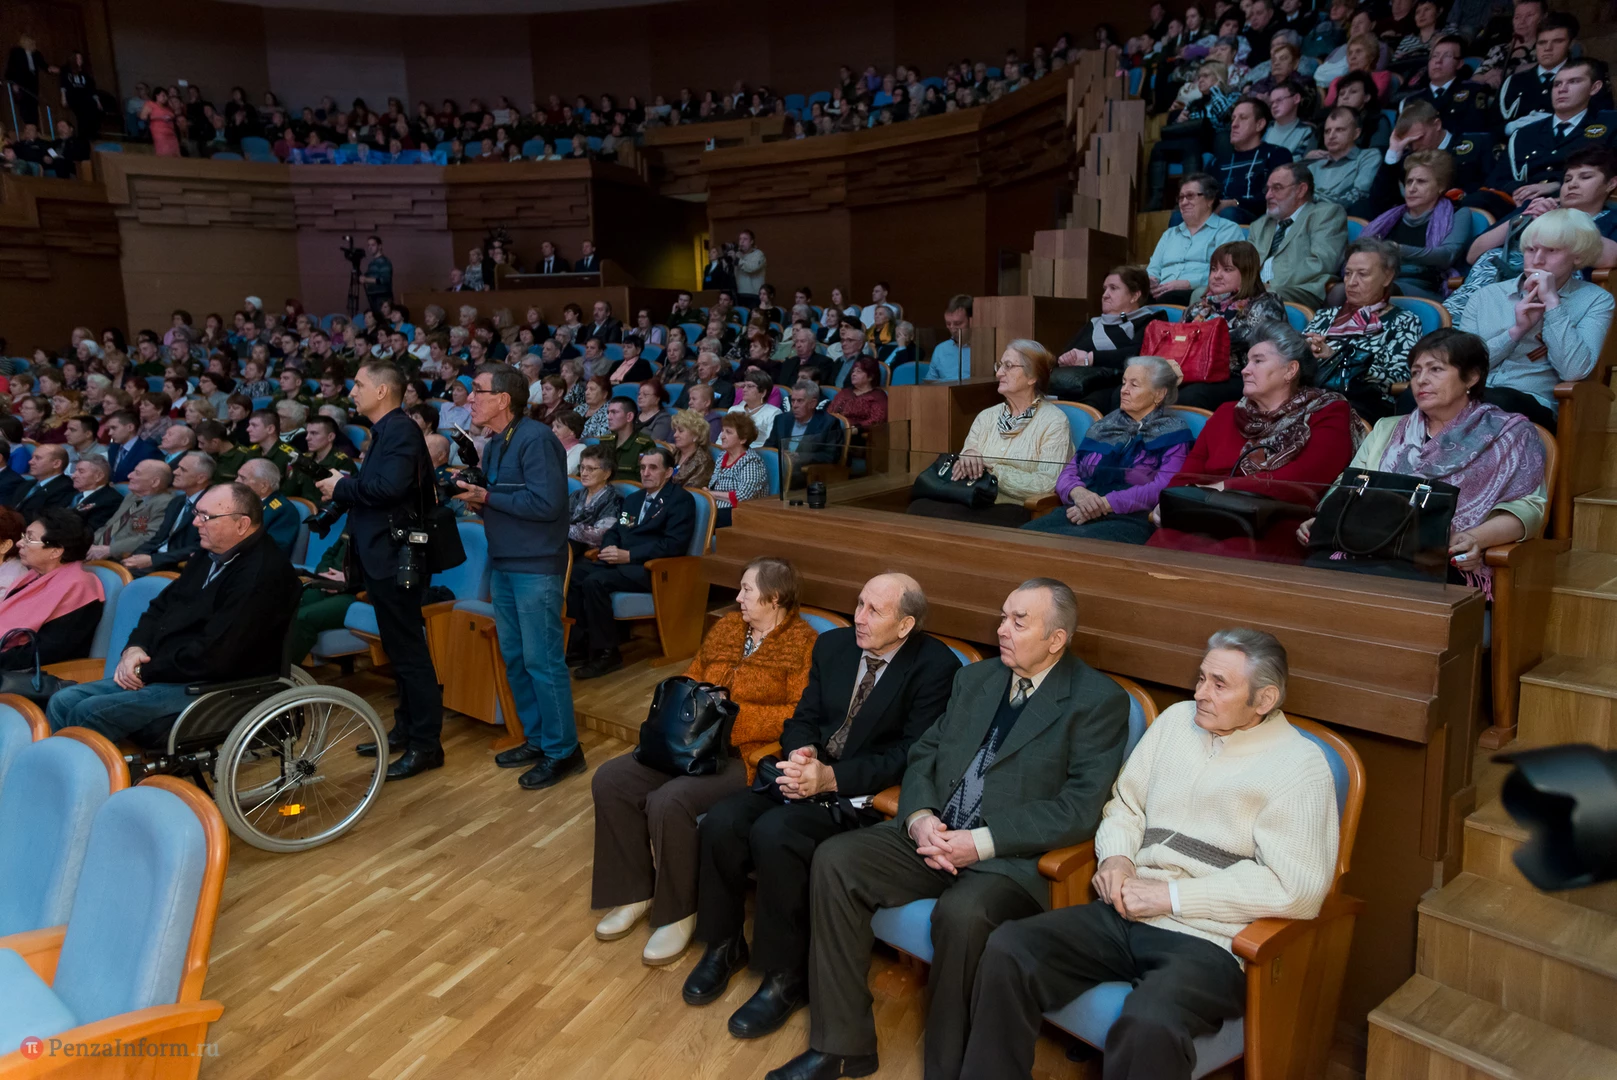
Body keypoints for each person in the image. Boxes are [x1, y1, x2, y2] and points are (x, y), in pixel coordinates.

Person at [765, 580, 1129, 1080]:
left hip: (1008, 860)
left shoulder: (1097, 701)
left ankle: (948, 1069)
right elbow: (925, 753)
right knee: (836, 860)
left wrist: (978, 842)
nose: (1001, 630)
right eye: (1003, 616)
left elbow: (1080, 808)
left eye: (1018, 622)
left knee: (963, 915)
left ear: (1056, 640)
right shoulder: (976, 678)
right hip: (935, 832)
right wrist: (918, 818)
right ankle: (842, 1046)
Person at [959, 630, 1340, 1080]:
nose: (1200, 693)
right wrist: (1116, 859)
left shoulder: (1300, 765)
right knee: (1009, 949)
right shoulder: (1177, 721)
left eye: (1219, 684)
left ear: (1265, 699)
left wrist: (1171, 897)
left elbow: (1296, 889)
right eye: (1201, 678)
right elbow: (1126, 805)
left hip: (1212, 943)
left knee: (1149, 1024)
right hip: (1125, 913)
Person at [685, 574, 961, 1037]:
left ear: (905, 625)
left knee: (776, 834)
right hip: (807, 773)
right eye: (859, 603)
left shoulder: (936, 668)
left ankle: (786, 976)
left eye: (874, 610)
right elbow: (803, 717)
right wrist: (802, 753)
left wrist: (830, 778)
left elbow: (911, 754)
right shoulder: (834, 646)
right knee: (722, 821)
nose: (859, 617)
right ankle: (724, 944)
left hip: (862, 795)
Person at [592, 557, 816, 966]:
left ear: (775, 597)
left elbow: (799, 712)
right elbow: (693, 676)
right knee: (611, 779)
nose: (738, 598)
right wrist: (688, 714)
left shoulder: (804, 642)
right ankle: (635, 892)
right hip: (690, 744)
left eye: (747, 590)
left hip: (744, 756)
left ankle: (679, 912)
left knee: (670, 800)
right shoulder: (727, 627)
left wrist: (729, 719)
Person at [45, 481, 300, 742]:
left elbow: (216, 655)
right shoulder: (209, 553)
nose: (196, 523)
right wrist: (135, 647)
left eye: (206, 517)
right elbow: (161, 606)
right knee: (62, 700)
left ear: (242, 524)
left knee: (89, 711)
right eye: (196, 513)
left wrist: (145, 671)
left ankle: (95, 767)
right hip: (171, 669)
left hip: (216, 684)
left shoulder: (262, 575)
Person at [1299, 329, 1546, 592]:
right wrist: (1325, 519)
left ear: (1471, 377)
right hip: (1366, 547)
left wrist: (1474, 538)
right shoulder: (1387, 429)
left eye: (1435, 369)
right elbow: (1347, 485)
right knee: (1310, 581)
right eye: (1415, 372)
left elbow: (1528, 508)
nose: (1421, 380)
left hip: (1442, 559)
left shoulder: (1508, 434)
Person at [452, 365, 581, 792]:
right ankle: (539, 739)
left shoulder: (536, 438)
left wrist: (488, 496)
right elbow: (508, 499)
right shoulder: (494, 444)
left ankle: (564, 751)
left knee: (542, 661)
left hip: (535, 565)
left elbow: (545, 504)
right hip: (505, 561)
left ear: (503, 399)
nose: (470, 398)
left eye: (478, 391)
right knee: (516, 658)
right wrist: (479, 500)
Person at [315, 361, 444, 781]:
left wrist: (341, 486)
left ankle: (427, 745)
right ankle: (407, 729)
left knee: (409, 653)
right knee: (399, 649)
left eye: (359, 384)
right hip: (383, 556)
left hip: (396, 556)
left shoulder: (401, 430)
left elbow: (389, 489)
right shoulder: (385, 431)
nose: (352, 391)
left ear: (383, 390)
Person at [1149, 321, 1360, 561]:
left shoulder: (1328, 411)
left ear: (1290, 370)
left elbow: (1304, 482)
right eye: (1247, 362)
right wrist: (1168, 500)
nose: (1245, 370)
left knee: (1224, 557)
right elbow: (1186, 476)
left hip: (1275, 522)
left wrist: (1221, 489)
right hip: (1206, 515)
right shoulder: (1226, 413)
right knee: (1158, 549)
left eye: (1258, 361)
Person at [1455, 208, 1613, 431]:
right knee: (1414, 398)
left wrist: (1553, 305)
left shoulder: (1595, 300)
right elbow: (1463, 366)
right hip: (1472, 395)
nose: (1537, 260)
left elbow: (1574, 371)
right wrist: (1515, 332)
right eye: (1531, 250)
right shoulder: (1486, 296)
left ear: (1577, 256)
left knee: (1496, 402)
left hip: (1532, 405)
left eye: (1552, 250)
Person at [1024, 357, 1194, 544]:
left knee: (1067, 545)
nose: (1124, 390)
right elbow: (1070, 470)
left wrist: (1105, 504)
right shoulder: (1105, 426)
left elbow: (1163, 487)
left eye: (1134, 385)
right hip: (1081, 508)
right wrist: (1079, 493)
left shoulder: (1175, 433)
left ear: (1159, 394)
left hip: (1132, 518)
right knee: (1024, 536)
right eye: (1124, 382)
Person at [908, 342, 1073, 527]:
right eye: (999, 365)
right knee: (919, 507)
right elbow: (964, 465)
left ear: (1032, 377)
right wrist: (967, 457)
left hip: (1018, 507)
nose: (999, 373)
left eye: (1008, 366)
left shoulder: (1054, 422)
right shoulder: (986, 416)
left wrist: (993, 471)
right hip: (974, 497)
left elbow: (1047, 483)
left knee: (942, 520)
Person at [567, 447, 696, 679]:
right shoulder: (635, 500)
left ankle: (607, 654)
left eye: (653, 468)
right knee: (575, 575)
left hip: (652, 569)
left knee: (595, 581)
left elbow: (673, 544)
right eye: (643, 467)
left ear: (668, 472)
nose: (645, 473)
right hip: (622, 562)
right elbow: (619, 529)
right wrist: (608, 548)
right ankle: (579, 646)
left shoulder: (680, 501)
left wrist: (629, 555)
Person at [1450, 147, 1617, 321]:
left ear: (1611, 184)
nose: (1572, 184)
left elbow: (1611, 259)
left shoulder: (1611, 219)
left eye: (1585, 177)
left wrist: (1562, 222)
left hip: (1544, 301)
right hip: (1484, 288)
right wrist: (1522, 218)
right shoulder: (1534, 208)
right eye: (1567, 179)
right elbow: (1473, 254)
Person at [1301, 238, 1425, 419]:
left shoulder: (1403, 321)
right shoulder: (1326, 316)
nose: (1351, 282)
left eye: (1362, 274)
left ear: (1387, 276)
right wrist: (1305, 350)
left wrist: (1338, 359)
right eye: (1348, 273)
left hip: (1362, 402)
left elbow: (1399, 377)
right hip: (1310, 393)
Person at [1178, 241, 1290, 410]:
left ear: (1247, 273)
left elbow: (1250, 338)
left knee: (1192, 395)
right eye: (1214, 269)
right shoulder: (1198, 309)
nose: (1217, 276)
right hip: (1194, 374)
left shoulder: (1266, 304)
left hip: (1245, 377)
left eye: (1227, 269)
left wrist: (1199, 339)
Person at [1052, 267, 1171, 411]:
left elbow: (1137, 355)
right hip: (1077, 384)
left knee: (1090, 405)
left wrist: (1090, 358)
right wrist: (1066, 358)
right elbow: (1066, 354)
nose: (1105, 295)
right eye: (1105, 289)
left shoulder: (1152, 320)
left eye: (1113, 288)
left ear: (1134, 296)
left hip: (1116, 386)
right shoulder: (1094, 323)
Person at [1358, 150, 1471, 300]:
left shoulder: (1458, 214)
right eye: (1409, 181)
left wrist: (1399, 249)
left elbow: (1447, 256)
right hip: (1382, 279)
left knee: (1375, 288)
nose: (1412, 188)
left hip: (1425, 287)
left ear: (1441, 186)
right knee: (1340, 290)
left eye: (1421, 182)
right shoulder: (1389, 218)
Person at [0, 509, 104, 669]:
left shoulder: (78, 587)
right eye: (23, 536)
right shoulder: (33, 576)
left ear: (55, 551)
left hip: (37, 672)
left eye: (29, 538)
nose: (19, 543)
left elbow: (45, 651)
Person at [1248, 161, 1348, 308]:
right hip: (1259, 290)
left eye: (1277, 188)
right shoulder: (1259, 225)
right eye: (1267, 189)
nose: (1268, 195)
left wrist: (1270, 285)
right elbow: (1245, 263)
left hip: (1300, 289)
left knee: (1265, 297)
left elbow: (1322, 262)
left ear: (1301, 190)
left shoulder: (1326, 214)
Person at [1146, 175, 1245, 307]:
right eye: (1181, 197)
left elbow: (1228, 272)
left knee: (1167, 298)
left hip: (1199, 291)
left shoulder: (1227, 230)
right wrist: (1151, 281)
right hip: (1161, 291)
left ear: (1210, 200)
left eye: (1190, 196)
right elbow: (1153, 268)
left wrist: (1188, 283)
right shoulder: (1169, 234)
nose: (1183, 202)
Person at [123, 450, 212, 574]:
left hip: (177, 567)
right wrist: (136, 556)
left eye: (183, 470)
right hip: (155, 559)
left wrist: (153, 560)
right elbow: (158, 537)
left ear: (201, 478)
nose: (175, 472)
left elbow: (200, 546)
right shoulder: (177, 501)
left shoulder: (211, 506)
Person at [1213, 98, 1293, 223]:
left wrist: (1235, 203)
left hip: (1259, 220)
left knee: (1228, 212)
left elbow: (1279, 196)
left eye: (1243, 118)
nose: (1234, 124)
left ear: (1259, 124)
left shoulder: (1276, 155)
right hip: (1218, 217)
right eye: (1233, 119)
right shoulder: (1218, 162)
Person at [86, 459, 175, 561]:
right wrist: (88, 544)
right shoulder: (132, 496)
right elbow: (110, 526)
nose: (129, 476)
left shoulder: (165, 503)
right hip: (97, 550)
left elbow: (149, 538)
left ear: (155, 482)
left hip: (123, 557)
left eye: (137, 473)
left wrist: (110, 550)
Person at [767, 382, 842, 486]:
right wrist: (781, 454)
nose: (794, 405)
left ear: (813, 403)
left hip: (808, 474)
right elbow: (769, 446)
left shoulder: (829, 423)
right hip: (779, 467)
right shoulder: (781, 419)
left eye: (800, 401)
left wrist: (800, 457)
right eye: (793, 400)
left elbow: (831, 456)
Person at [1306, 107, 1382, 209]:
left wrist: (1314, 198)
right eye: (1327, 131)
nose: (1331, 136)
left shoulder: (1368, 156)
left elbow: (1358, 196)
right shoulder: (1314, 165)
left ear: (1356, 133)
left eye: (1339, 130)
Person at [566, 445, 623, 556]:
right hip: (565, 545)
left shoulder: (614, 499)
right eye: (582, 467)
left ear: (607, 473)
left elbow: (599, 535)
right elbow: (560, 519)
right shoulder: (576, 495)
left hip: (587, 553)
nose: (584, 473)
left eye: (590, 469)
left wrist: (563, 529)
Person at [237, 458, 301, 555]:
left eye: (243, 478)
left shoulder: (282, 511)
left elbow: (273, 551)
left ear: (264, 486)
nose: (236, 481)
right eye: (238, 476)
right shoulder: (241, 502)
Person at [711, 414, 769, 507]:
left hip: (740, 511)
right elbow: (712, 485)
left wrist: (712, 494)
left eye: (728, 432)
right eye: (722, 431)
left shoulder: (751, 461)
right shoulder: (722, 456)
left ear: (743, 439)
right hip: (716, 507)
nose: (722, 436)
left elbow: (743, 496)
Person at [827, 357, 888, 435]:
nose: (853, 374)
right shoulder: (844, 392)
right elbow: (830, 412)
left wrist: (857, 428)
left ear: (870, 377)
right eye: (853, 371)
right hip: (835, 431)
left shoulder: (878, 396)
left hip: (859, 434)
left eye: (859, 371)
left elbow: (877, 419)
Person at [600, 398, 657, 479]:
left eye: (614, 412)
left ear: (629, 416)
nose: (608, 417)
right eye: (608, 412)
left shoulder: (644, 444)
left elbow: (643, 476)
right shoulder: (605, 441)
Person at [11, 445, 75, 517]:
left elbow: (46, 519)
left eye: (38, 458)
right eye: (32, 458)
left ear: (56, 464)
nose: (30, 462)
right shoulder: (26, 484)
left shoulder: (66, 489)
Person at [925, 296, 974, 382]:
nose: (953, 329)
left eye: (958, 323)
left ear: (972, 321)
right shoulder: (940, 349)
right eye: (948, 324)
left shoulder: (985, 349)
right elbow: (930, 382)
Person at [68, 457, 122, 533]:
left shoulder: (111, 501)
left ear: (99, 476)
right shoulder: (74, 493)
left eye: (81, 471)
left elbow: (89, 532)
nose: (73, 476)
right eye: (75, 471)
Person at [728, 372, 782, 449]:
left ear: (763, 392)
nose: (744, 390)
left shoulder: (774, 413)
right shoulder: (734, 410)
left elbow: (770, 443)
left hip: (758, 453)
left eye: (750, 386)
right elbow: (722, 438)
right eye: (744, 386)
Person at [105, 409, 159, 483]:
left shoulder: (149, 452)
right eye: (109, 429)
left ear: (130, 427)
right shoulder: (112, 448)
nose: (110, 433)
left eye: (114, 428)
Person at [669, 410, 715, 490]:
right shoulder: (675, 453)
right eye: (675, 431)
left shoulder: (703, 462)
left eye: (680, 431)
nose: (675, 435)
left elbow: (690, 491)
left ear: (695, 436)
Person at [359, 235, 394, 318]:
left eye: (373, 245)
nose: (370, 247)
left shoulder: (384, 261)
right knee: (376, 318)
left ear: (380, 246)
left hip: (383, 296)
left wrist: (366, 280)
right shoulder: (372, 263)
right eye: (368, 245)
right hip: (373, 296)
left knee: (383, 318)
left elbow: (385, 279)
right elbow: (367, 276)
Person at [140, 88, 181, 158]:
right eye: (163, 95)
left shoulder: (167, 108)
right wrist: (161, 117)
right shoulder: (151, 104)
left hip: (171, 133)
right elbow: (143, 116)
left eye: (166, 96)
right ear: (157, 96)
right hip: (159, 133)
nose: (165, 98)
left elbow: (176, 113)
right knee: (164, 152)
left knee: (175, 154)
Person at [734, 230, 768, 301]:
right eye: (740, 239)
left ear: (751, 241)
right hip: (739, 293)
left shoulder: (758, 254)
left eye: (745, 239)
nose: (741, 242)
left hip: (754, 294)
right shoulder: (737, 255)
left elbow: (752, 268)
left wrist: (738, 260)